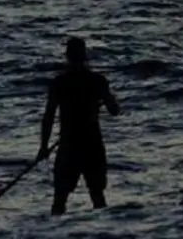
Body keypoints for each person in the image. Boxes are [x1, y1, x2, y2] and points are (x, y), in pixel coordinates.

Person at [39, 36, 121, 215]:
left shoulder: (60, 83)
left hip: (69, 145)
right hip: (92, 145)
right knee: (97, 196)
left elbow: (48, 117)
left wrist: (43, 147)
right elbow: (114, 110)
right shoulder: (98, 81)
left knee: (59, 200)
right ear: (85, 56)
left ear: (67, 57)